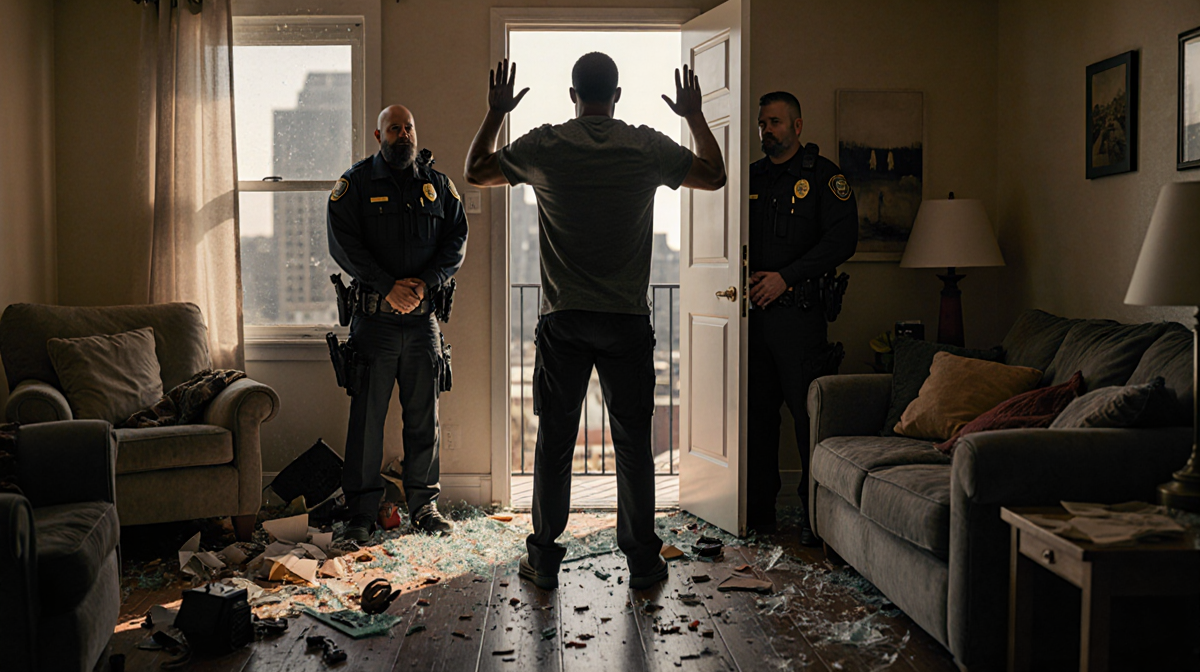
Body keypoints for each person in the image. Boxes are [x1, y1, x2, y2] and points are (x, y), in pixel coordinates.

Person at [464, 54, 726, 589]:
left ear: (573, 95)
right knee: (633, 444)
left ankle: (543, 559)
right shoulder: (645, 145)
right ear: (617, 95)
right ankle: (644, 561)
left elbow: (475, 170)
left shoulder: (546, 144)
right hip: (626, 319)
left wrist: (496, 112)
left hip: (564, 319)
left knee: (555, 443)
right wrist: (694, 115)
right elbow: (715, 175)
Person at [327, 105, 468, 541]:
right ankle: (361, 514)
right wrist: (387, 286)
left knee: (424, 419)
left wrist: (426, 284)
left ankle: (424, 507)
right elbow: (342, 242)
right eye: (394, 128)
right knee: (366, 422)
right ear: (379, 135)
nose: (403, 134)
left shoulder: (437, 185)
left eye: (408, 127)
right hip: (375, 323)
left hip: (423, 323)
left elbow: (457, 240)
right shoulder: (356, 184)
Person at [747, 91, 857, 545]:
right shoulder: (752, 177)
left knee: (806, 417)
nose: (766, 130)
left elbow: (843, 241)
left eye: (774, 122)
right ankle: (756, 514)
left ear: (797, 126)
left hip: (801, 316)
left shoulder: (824, 177)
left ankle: (814, 519)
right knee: (756, 418)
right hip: (754, 316)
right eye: (762, 123)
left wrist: (786, 278)